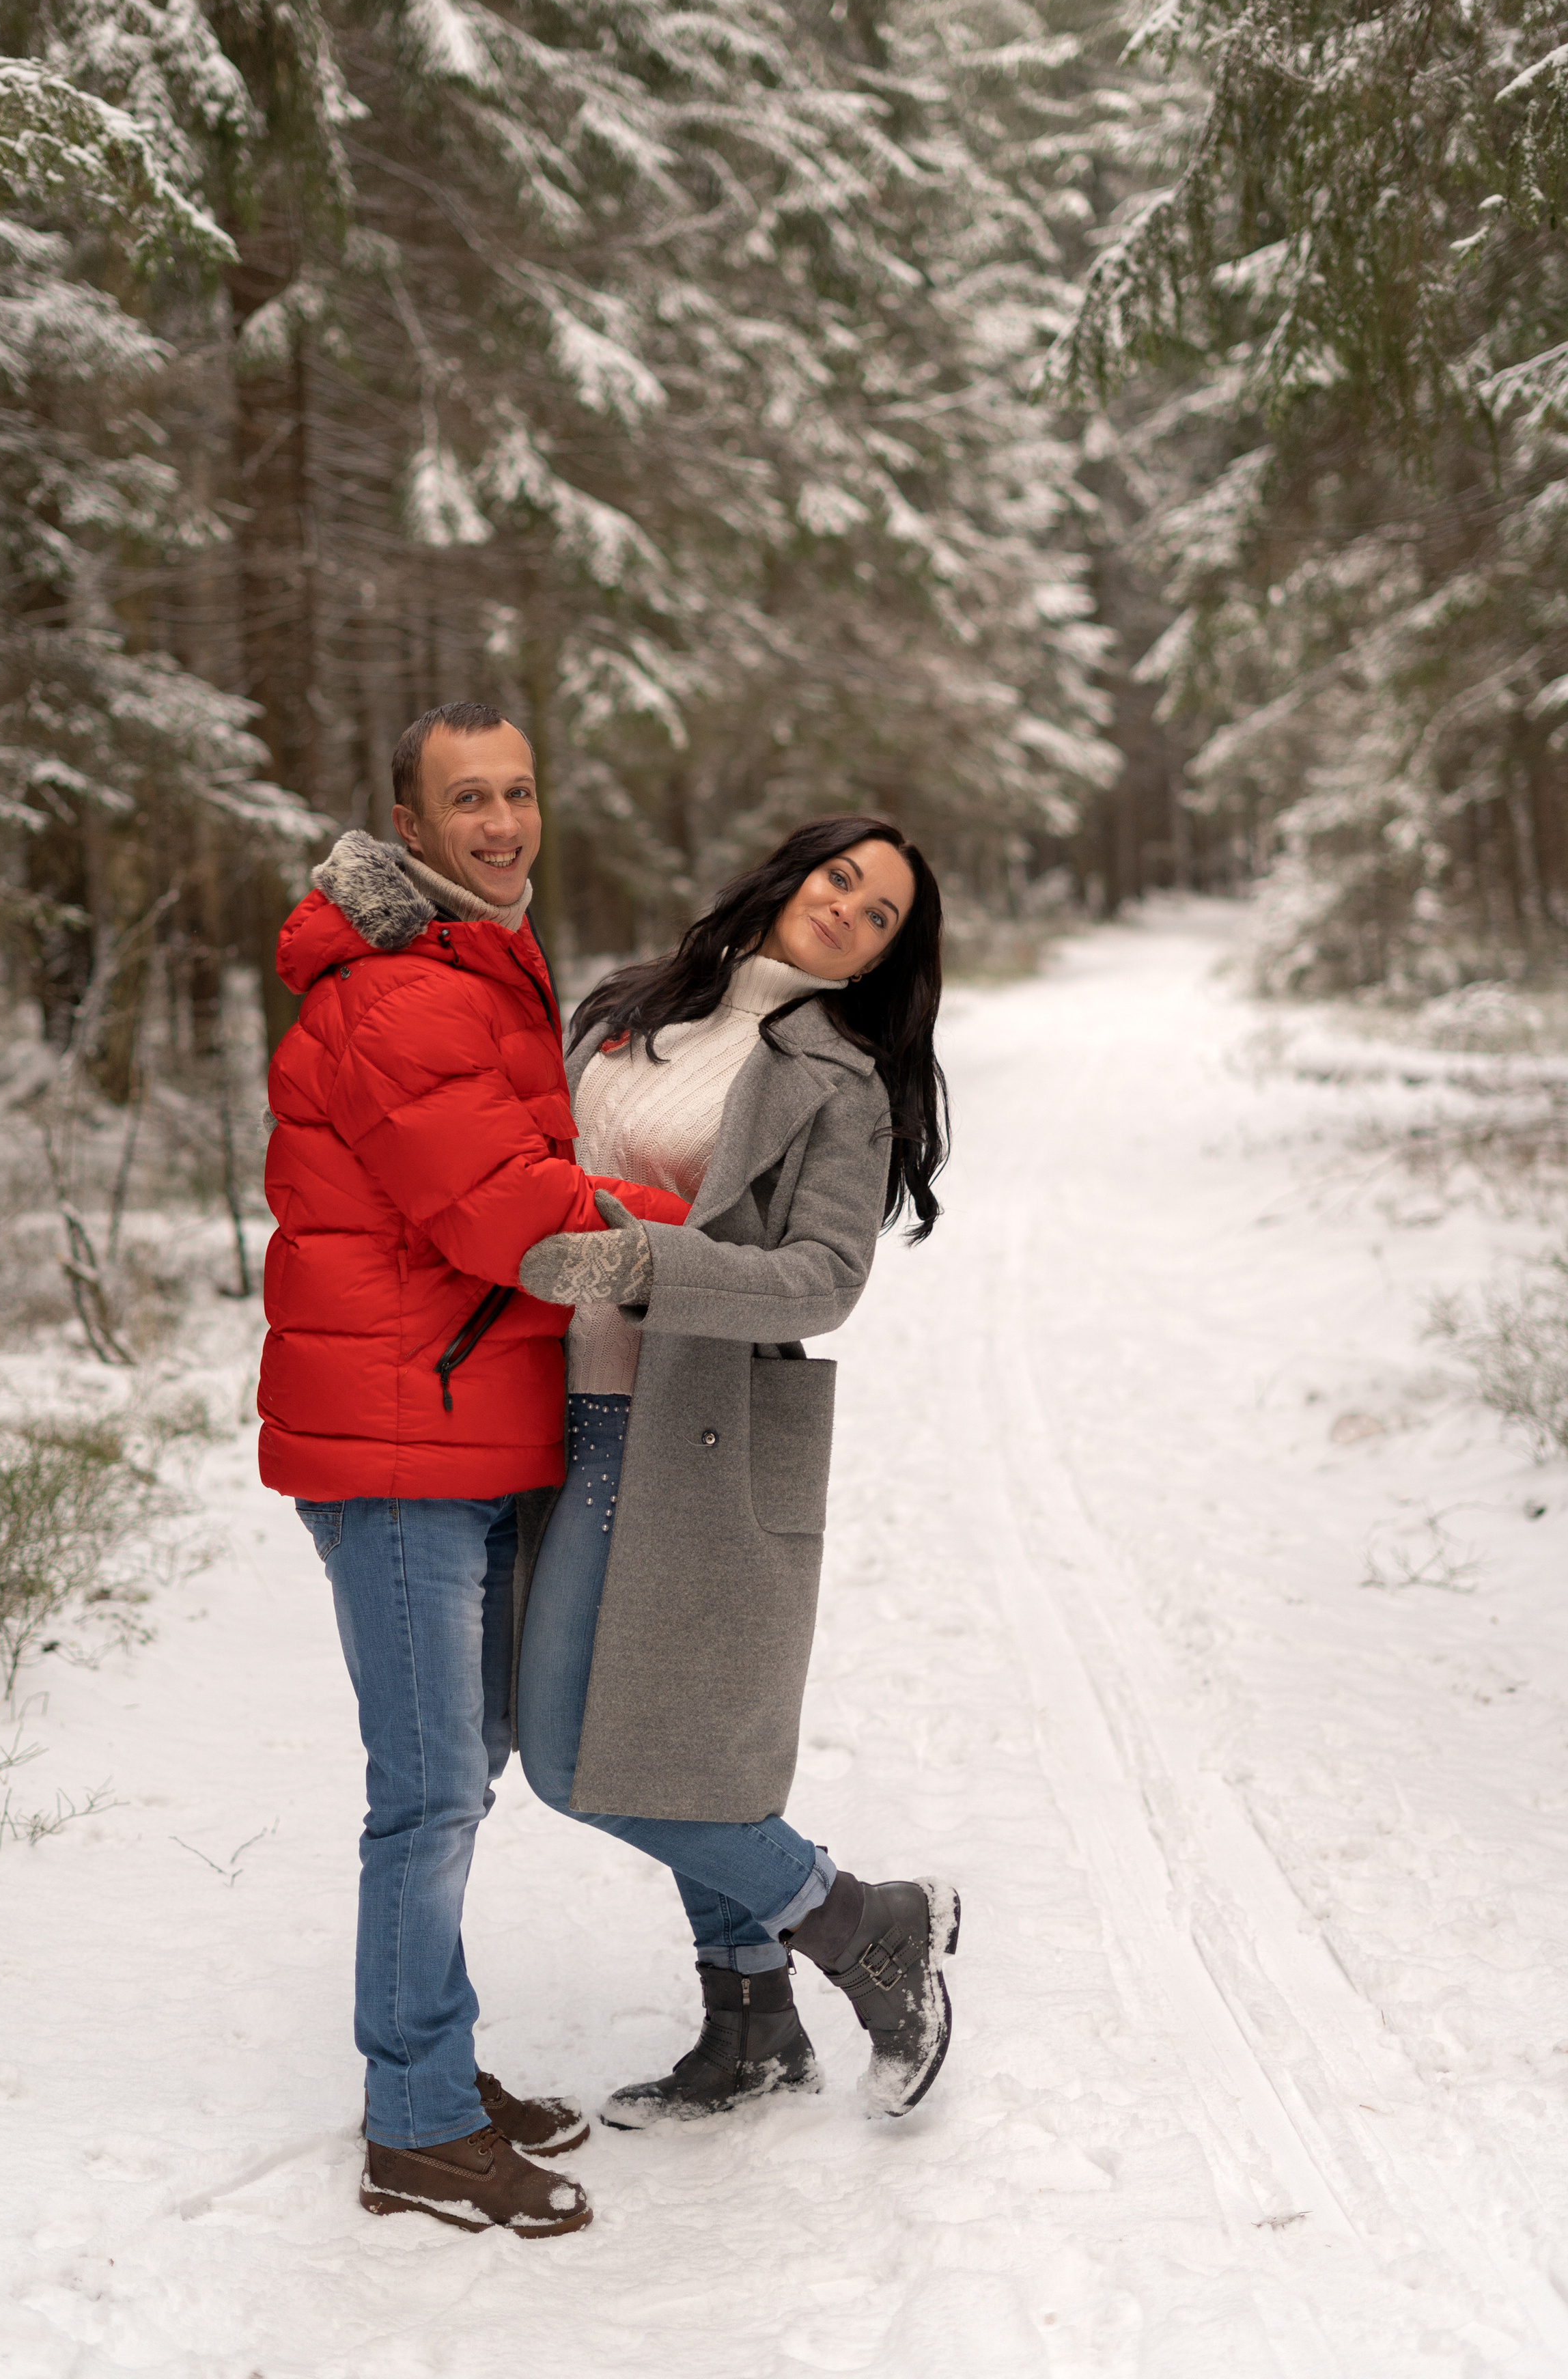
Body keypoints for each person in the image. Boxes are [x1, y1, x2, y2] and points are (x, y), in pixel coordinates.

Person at [258, 701, 690, 2238]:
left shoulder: (475, 966)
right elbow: (506, 1209)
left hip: (449, 1422)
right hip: (393, 1446)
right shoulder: (398, 997)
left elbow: (528, 1175)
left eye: (516, 792)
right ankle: (416, 2124)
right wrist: (696, 1235)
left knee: (461, 1767)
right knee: (429, 1791)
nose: (500, 821)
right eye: (466, 799)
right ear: (410, 820)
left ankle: (430, 2069)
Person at [512, 816, 959, 2128]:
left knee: (579, 1758)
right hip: (552, 1414)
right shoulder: (623, 1010)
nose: (852, 916)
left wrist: (655, 1271)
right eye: (843, 882)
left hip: (688, 1437)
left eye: (882, 918)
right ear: (788, 874)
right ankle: (754, 2025)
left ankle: (866, 1923)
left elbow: (826, 1281)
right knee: (676, 1745)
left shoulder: (841, 1079)